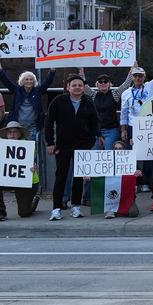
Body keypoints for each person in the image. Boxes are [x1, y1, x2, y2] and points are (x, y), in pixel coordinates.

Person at [45, 74, 101, 220]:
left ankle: (76, 206)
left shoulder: (88, 103)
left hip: (82, 145)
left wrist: (90, 142)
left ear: (84, 88)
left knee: (79, 176)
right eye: (74, 85)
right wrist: (50, 142)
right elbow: (49, 122)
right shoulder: (58, 101)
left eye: (80, 86)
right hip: (63, 145)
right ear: (68, 87)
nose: (77, 88)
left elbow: (95, 122)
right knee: (61, 176)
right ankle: (56, 208)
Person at [0, 52, 56, 146]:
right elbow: (4, 79)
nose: (29, 81)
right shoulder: (16, 90)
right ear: (22, 81)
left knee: (31, 149)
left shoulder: (38, 91)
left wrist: (53, 66)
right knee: (16, 148)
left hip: (33, 126)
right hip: (17, 125)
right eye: (27, 79)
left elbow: (48, 80)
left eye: (31, 80)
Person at [0, 121, 39, 221]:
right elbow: (0, 167)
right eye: (10, 132)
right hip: (10, 179)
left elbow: (32, 163)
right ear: (6, 135)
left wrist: (33, 168)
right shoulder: (2, 147)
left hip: (27, 182)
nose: (12, 134)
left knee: (24, 213)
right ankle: (1, 210)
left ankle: (33, 202)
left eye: (15, 132)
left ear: (19, 134)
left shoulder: (28, 146)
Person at [119, 46, 153, 148]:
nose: (138, 78)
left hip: (149, 125)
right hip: (132, 126)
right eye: (135, 76)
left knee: (148, 153)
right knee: (133, 153)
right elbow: (123, 113)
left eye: (140, 76)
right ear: (132, 77)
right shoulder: (126, 93)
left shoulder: (150, 86)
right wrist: (123, 130)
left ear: (144, 77)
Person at [83, 67, 135, 151]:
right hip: (96, 131)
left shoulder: (115, 94)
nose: (103, 83)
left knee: (109, 155)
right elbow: (84, 86)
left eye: (105, 81)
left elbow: (126, 85)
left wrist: (131, 71)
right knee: (97, 156)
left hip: (111, 131)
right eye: (100, 82)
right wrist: (81, 72)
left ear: (110, 84)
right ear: (97, 84)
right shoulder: (93, 95)